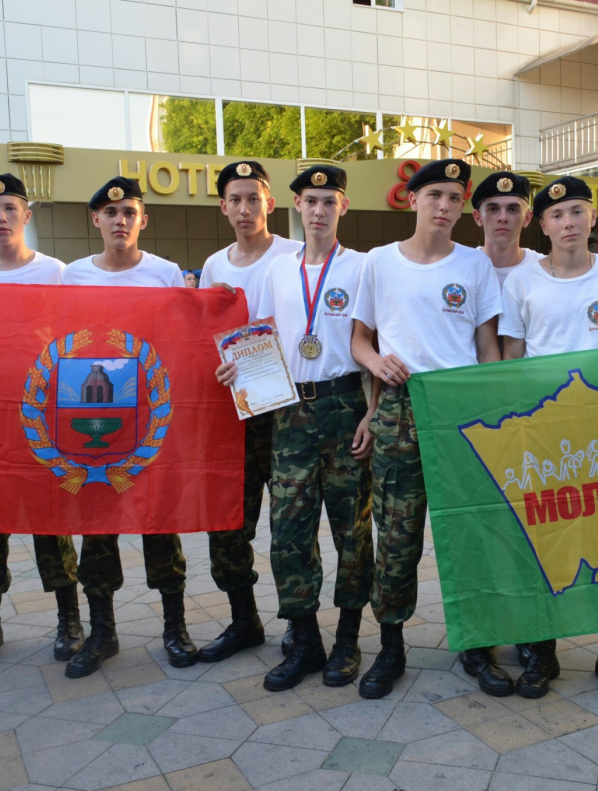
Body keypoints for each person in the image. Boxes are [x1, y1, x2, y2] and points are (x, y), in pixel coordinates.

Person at [217, 164, 376, 691]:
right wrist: (237, 369)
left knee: (351, 533)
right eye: (310, 202)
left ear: (343, 208)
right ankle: (306, 641)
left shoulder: (361, 269)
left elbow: (371, 343)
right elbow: (258, 337)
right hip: (290, 415)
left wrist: (372, 414)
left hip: (344, 406)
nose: (319, 211)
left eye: (329, 202)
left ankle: (349, 641)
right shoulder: (278, 270)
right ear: (297, 208)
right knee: (289, 534)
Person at [351, 159, 502, 699]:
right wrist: (375, 363)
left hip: (461, 411)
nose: (445, 206)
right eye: (435, 194)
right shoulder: (378, 263)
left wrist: (491, 418)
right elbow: (359, 339)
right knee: (396, 537)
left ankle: (476, 645)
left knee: (469, 535)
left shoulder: (476, 265)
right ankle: (391, 647)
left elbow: (487, 349)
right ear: (411, 199)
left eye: (456, 198)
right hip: (401, 409)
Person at [500, 175, 598, 701]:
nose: (569, 223)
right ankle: (542, 654)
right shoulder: (520, 281)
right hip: (545, 434)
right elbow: (512, 364)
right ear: (540, 224)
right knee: (546, 542)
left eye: (578, 213)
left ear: (593, 219)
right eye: (557, 216)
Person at [60, 176, 189, 678]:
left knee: (160, 523)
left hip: (151, 417)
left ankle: (175, 628)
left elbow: (184, 338)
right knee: (97, 525)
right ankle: (102, 633)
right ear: (96, 220)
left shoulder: (165, 273)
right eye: (110, 213)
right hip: (95, 417)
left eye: (129, 212)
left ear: (143, 220)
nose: (120, 221)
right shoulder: (71, 276)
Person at [0, 173, 84, 669]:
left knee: (51, 519)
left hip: (41, 417)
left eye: (10, 208)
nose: (1, 217)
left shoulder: (57, 272)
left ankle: (69, 617)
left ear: (27, 216)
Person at [198, 161, 303, 663]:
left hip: (287, 411)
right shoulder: (214, 266)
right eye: (235, 200)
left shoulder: (295, 254)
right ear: (222, 207)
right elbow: (206, 338)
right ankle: (244, 620)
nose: (244, 208)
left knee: (289, 525)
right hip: (234, 412)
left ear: (270, 204)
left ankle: (297, 625)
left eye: (253, 198)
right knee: (229, 521)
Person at [466, 171, 548, 698]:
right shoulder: (459, 264)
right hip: (467, 421)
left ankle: (533, 634)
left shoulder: (544, 270)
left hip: (534, 425)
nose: (502, 217)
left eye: (513, 208)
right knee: (475, 533)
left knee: (533, 530)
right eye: (492, 208)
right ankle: (479, 636)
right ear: (477, 217)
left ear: (528, 216)